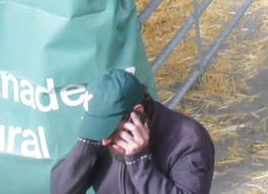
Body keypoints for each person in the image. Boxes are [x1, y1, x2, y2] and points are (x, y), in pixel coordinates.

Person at [49, 68, 214, 194]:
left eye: (110, 130)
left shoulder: (188, 140)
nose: (104, 141)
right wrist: (86, 145)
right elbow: (60, 190)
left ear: (138, 112)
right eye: (98, 130)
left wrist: (139, 162)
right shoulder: (100, 136)